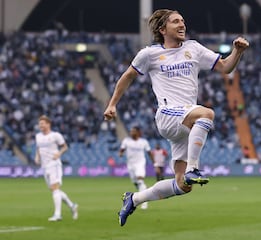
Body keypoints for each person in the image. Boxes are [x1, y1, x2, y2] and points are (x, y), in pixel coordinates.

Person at [103, 9, 249, 226]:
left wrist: (237, 51)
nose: (182, 25)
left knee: (182, 185)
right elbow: (128, 76)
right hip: (168, 115)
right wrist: (112, 103)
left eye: (182, 21)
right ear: (162, 29)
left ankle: (133, 199)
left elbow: (226, 67)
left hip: (186, 122)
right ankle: (193, 168)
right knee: (207, 113)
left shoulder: (193, 48)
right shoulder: (149, 54)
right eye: (175, 22)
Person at [35, 115, 78, 221]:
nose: (41, 125)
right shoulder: (38, 136)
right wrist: (37, 157)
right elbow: (38, 148)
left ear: (48, 124)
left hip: (54, 164)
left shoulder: (55, 135)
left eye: (42, 123)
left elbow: (65, 146)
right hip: (44, 166)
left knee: (55, 188)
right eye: (39, 124)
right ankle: (72, 206)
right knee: (55, 190)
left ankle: (58, 214)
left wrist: (59, 153)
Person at [119, 126, 154, 209]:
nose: (132, 133)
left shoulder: (143, 142)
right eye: (131, 131)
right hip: (130, 164)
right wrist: (120, 153)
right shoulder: (126, 141)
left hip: (140, 163)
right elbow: (122, 149)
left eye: (134, 131)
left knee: (140, 180)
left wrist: (154, 162)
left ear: (138, 132)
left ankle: (144, 202)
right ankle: (142, 194)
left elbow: (149, 152)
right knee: (136, 182)